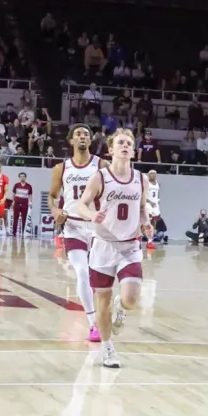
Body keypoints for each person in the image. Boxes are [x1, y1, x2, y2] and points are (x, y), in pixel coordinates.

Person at [75, 128, 152, 369]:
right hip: (103, 246)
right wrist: (91, 214)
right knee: (102, 301)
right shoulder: (100, 177)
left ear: (133, 150)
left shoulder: (142, 179)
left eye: (129, 143)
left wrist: (146, 222)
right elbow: (82, 204)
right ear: (111, 149)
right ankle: (108, 349)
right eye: (121, 142)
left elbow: (141, 208)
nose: (126, 145)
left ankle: (122, 307)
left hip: (130, 246)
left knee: (130, 299)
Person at [48, 125, 106, 343]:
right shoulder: (61, 169)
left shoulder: (101, 165)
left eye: (86, 134)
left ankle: (111, 311)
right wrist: (54, 211)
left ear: (90, 140)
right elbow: (52, 197)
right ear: (71, 140)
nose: (83, 136)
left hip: (97, 228)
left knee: (101, 280)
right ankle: (93, 324)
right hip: (73, 226)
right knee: (82, 272)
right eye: (78, 134)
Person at [144, 169, 162, 245]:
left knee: (154, 221)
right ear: (149, 175)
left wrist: (157, 200)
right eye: (151, 174)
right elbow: (143, 195)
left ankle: (151, 238)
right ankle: (141, 235)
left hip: (155, 204)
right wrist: (150, 202)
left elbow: (158, 193)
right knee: (146, 221)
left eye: (154, 174)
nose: (153, 175)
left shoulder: (157, 183)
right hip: (148, 204)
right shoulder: (147, 183)